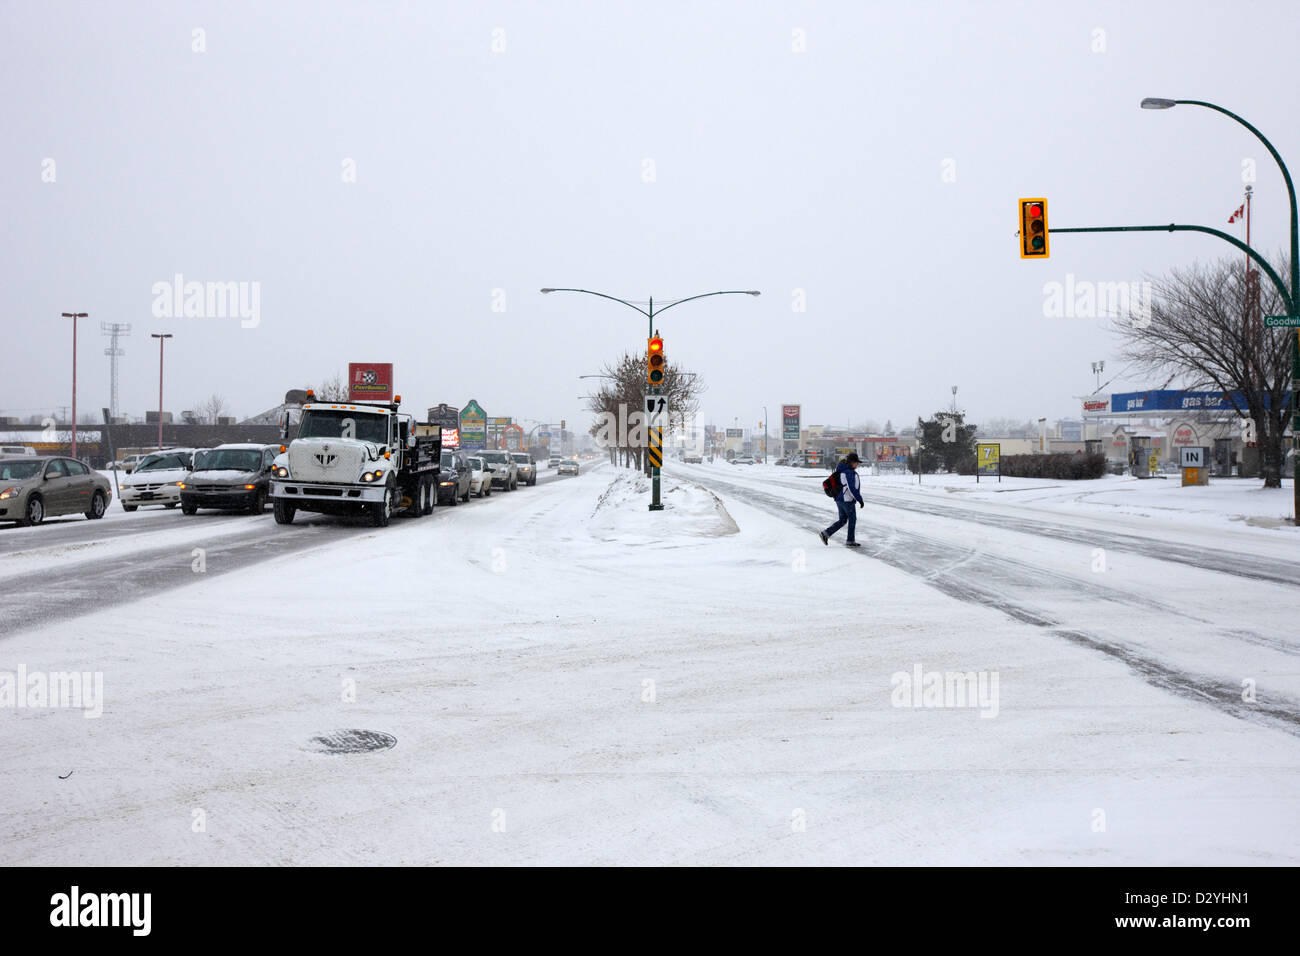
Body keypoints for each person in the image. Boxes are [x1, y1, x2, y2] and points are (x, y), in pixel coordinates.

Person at [820, 452, 863, 547]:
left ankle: (825, 533)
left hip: (839, 499)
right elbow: (852, 488)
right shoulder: (849, 472)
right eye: (856, 462)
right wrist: (860, 499)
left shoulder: (842, 470)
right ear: (852, 462)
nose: (857, 464)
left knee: (843, 520)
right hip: (847, 500)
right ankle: (850, 540)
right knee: (852, 519)